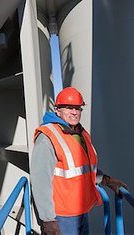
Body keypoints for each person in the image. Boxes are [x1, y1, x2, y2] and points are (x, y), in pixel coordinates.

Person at [31, 87, 127, 235]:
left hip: (81, 210)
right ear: (58, 110)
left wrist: (106, 180)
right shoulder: (48, 137)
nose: (74, 112)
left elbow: (84, 168)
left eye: (78, 108)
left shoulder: (80, 133)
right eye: (69, 108)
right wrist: (48, 221)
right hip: (61, 216)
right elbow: (40, 181)